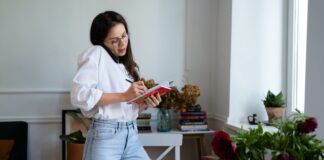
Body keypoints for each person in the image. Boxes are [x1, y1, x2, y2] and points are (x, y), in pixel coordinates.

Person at [70, 11, 161, 160]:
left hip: (131, 136)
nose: (123, 43)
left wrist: (144, 103)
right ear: (101, 41)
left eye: (124, 35)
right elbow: (78, 95)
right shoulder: (97, 53)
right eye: (114, 40)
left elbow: (123, 108)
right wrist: (125, 95)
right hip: (106, 137)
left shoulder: (126, 66)